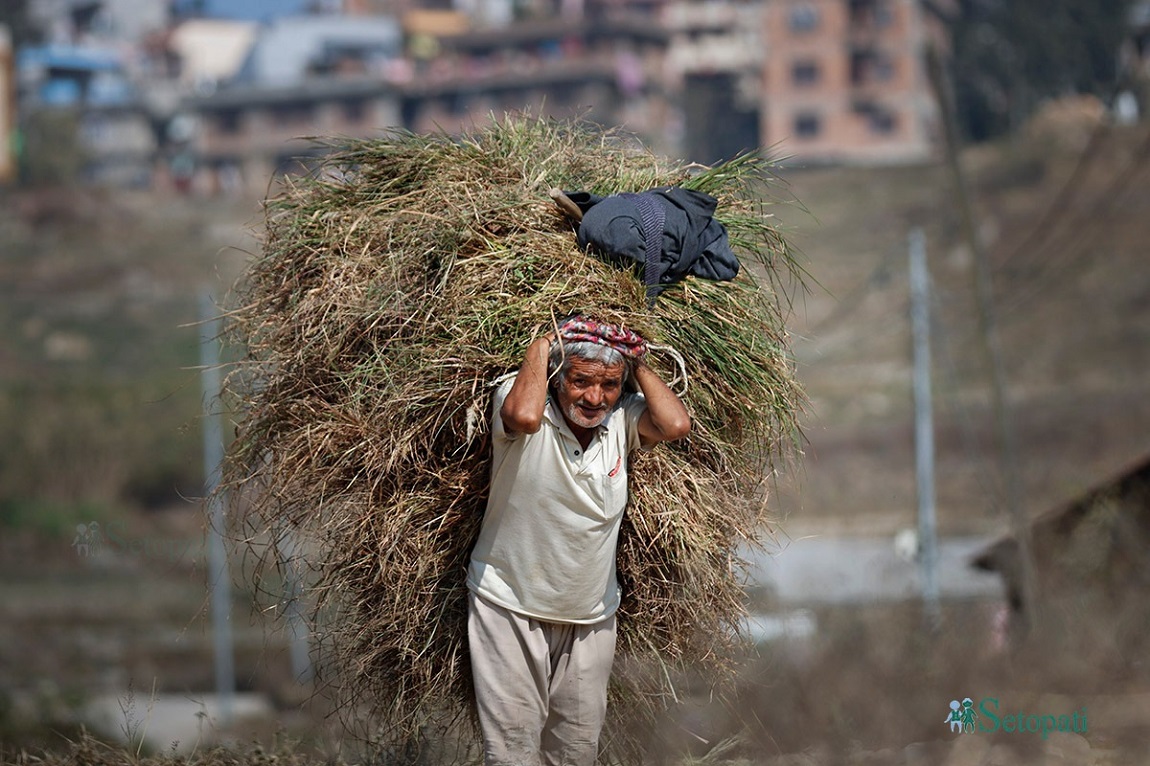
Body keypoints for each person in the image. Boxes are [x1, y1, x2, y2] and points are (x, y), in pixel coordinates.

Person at [467, 315, 691, 766]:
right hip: (508, 606)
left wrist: (636, 360)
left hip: (590, 617)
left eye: (608, 384)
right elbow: (524, 416)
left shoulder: (623, 420)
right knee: (511, 754)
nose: (594, 397)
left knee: (574, 754)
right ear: (556, 376)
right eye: (580, 380)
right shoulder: (522, 403)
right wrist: (545, 341)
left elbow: (675, 425)